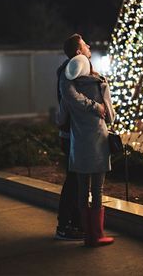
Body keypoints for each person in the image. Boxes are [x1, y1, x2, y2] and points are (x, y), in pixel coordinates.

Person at [57, 52, 115, 247]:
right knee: (97, 190)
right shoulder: (100, 84)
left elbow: (60, 118)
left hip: (79, 144)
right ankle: (97, 235)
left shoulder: (70, 90)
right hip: (98, 142)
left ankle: (87, 234)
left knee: (83, 190)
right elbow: (111, 117)